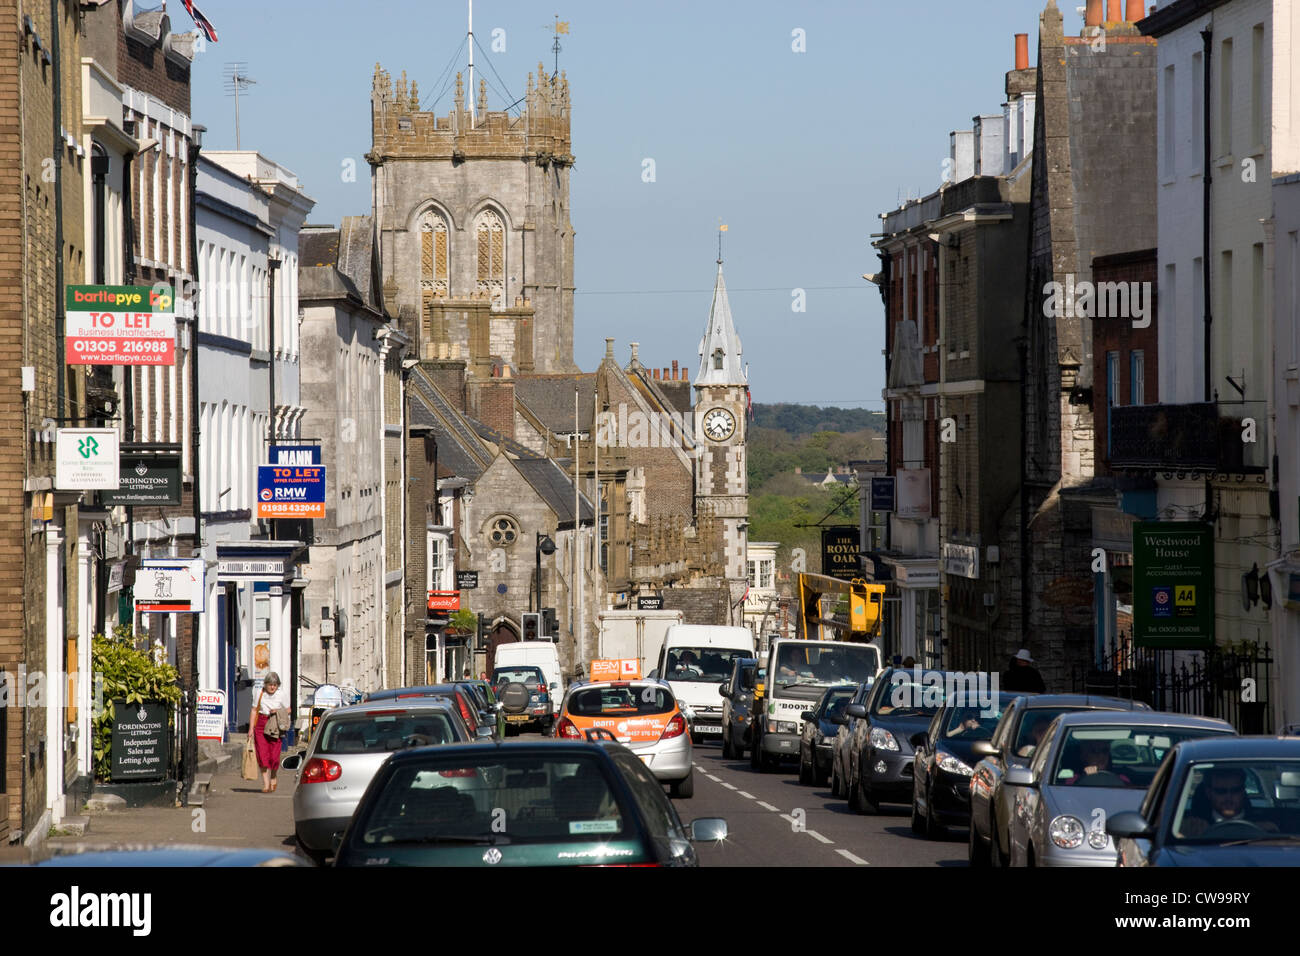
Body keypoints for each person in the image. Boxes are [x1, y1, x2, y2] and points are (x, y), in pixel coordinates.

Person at [1180, 767, 1277, 837]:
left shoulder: (1265, 823)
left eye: (1235, 791)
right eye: (1221, 792)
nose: (1229, 798)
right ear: (1209, 793)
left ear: (1243, 792)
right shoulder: (1193, 825)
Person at [249, 672, 290, 793]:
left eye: (275, 685)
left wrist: (277, 711)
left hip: (275, 724)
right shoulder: (259, 693)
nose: (272, 687)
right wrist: (251, 728)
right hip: (261, 723)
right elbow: (254, 710)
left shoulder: (281, 694)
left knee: (274, 756)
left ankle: (273, 775)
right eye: (270, 684)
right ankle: (266, 784)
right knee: (262, 755)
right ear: (265, 684)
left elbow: (288, 709)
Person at [1066, 737, 1130, 785]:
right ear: (1084, 756)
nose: (1101, 755)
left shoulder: (1121, 778)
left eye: (1104, 751)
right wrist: (1088, 778)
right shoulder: (1073, 780)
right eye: (1094, 751)